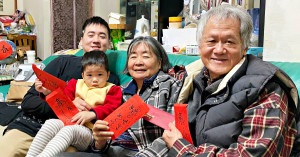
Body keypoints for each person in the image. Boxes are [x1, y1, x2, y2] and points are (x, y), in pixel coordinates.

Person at [136, 5, 300, 156]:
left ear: (244, 48)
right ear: (199, 47)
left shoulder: (267, 88)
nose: (219, 49)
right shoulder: (194, 77)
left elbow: (253, 153)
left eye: (229, 41)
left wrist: (181, 148)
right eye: (212, 41)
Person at [0, 16, 120, 156]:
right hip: (31, 126)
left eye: (102, 36)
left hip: (71, 135)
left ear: (109, 43)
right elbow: (28, 102)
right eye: (91, 35)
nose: (96, 40)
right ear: (81, 41)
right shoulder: (62, 62)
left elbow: (109, 112)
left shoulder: (111, 80)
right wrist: (66, 105)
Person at [57, 36, 183, 157]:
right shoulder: (120, 91)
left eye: (145, 56)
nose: (138, 62)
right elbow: (104, 139)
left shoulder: (170, 86)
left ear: (159, 63)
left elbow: (174, 134)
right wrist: (99, 142)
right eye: (133, 57)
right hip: (110, 152)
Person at [26, 50, 122, 157]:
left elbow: (113, 108)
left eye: (100, 74)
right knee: (50, 123)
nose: (94, 80)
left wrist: (93, 114)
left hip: (91, 133)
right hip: (68, 122)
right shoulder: (74, 84)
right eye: (89, 75)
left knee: (69, 130)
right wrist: (46, 92)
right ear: (83, 75)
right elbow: (61, 102)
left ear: (107, 75)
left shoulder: (113, 89)